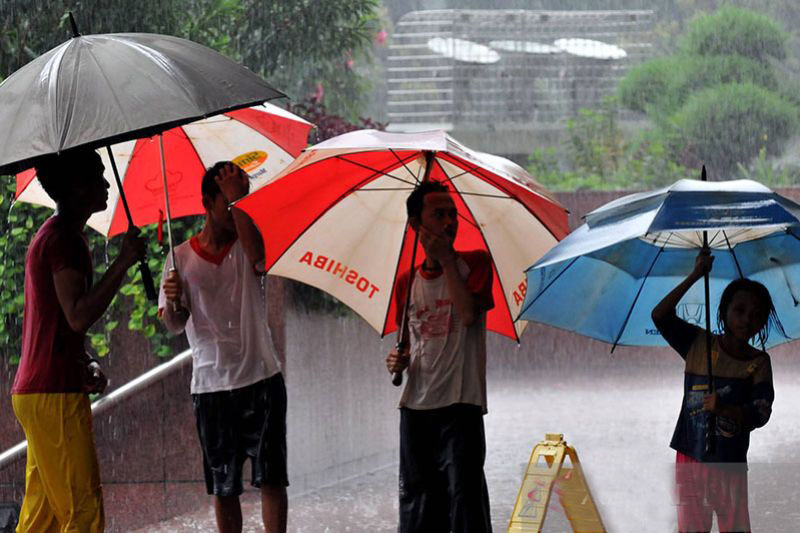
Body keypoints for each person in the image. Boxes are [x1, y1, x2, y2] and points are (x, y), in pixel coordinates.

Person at [11, 148, 146, 532]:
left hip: (39, 390)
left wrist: (84, 360)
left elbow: (57, 321)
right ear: (75, 187)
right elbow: (77, 315)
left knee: (44, 518)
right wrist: (122, 263)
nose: (106, 184)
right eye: (96, 176)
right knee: (83, 514)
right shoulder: (63, 239)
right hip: (53, 392)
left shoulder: (56, 236)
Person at [159, 161, 287, 533]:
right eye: (227, 202)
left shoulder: (248, 243)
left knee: (272, 477)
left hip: (261, 377)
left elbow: (260, 260)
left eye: (242, 200)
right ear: (206, 202)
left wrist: (238, 202)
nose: (236, 209)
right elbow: (173, 324)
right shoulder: (179, 258)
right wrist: (175, 302)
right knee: (223, 485)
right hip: (212, 387)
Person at [385, 180, 494, 533]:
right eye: (439, 214)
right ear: (417, 225)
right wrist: (396, 360)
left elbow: (466, 315)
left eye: (453, 214)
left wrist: (447, 259)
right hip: (416, 408)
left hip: (460, 404)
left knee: (465, 503)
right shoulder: (406, 282)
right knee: (417, 506)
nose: (449, 221)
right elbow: (408, 343)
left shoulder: (475, 264)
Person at [651, 249, 781, 533]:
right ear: (723, 312)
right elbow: (660, 315)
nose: (747, 320)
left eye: (756, 315)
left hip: (730, 461)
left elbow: (761, 412)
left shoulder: (758, 363)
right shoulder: (697, 343)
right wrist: (695, 275)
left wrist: (724, 409)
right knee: (691, 528)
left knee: (734, 527)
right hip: (690, 453)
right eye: (739, 311)